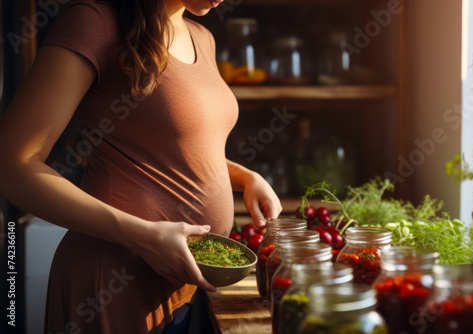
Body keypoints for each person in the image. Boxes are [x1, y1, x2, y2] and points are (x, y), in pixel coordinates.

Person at [0, 0, 282, 333]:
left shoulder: (201, 36)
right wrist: (144, 237)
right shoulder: (94, 22)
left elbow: (172, 146)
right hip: (112, 286)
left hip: (190, 287)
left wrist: (244, 176)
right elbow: (12, 167)